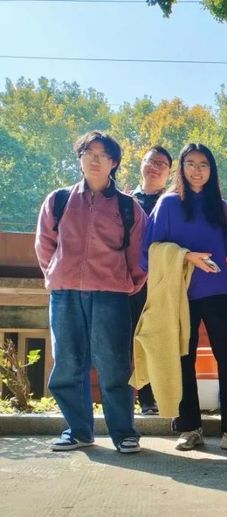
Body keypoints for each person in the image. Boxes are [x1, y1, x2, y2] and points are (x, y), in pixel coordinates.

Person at [142, 143, 227, 451]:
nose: (197, 170)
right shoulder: (168, 204)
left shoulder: (218, 206)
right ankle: (189, 428)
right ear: (181, 168)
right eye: (191, 163)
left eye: (204, 164)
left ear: (212, 170)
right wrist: (186, 257)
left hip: (218, 291)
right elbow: (150, 251)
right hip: (180, 293)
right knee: (182, 358)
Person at [35, 130, 146, 453]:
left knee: (114, 365)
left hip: (111, 294)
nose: (95, 160)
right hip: (65, 294)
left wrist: (127, 284)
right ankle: (78, 430)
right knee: (68, 364)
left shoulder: (128, 207)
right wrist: (56, 276)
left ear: (114, 163)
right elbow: (45, 245)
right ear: (80, 158)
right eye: (89, 153)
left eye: (103, 155)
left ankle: (124, 432)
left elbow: (138, 255)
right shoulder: (59, 200)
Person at [128, 145, 172, 415]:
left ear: (170, 173)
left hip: (163, 282)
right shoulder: (124, 200)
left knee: (159, 341)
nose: (154, 167)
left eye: (162, 164)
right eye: (150, 161)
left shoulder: (174, 202)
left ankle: (156, 397)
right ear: (141, 164)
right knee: (129, 340)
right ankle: (135, 398)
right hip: (128, 282)